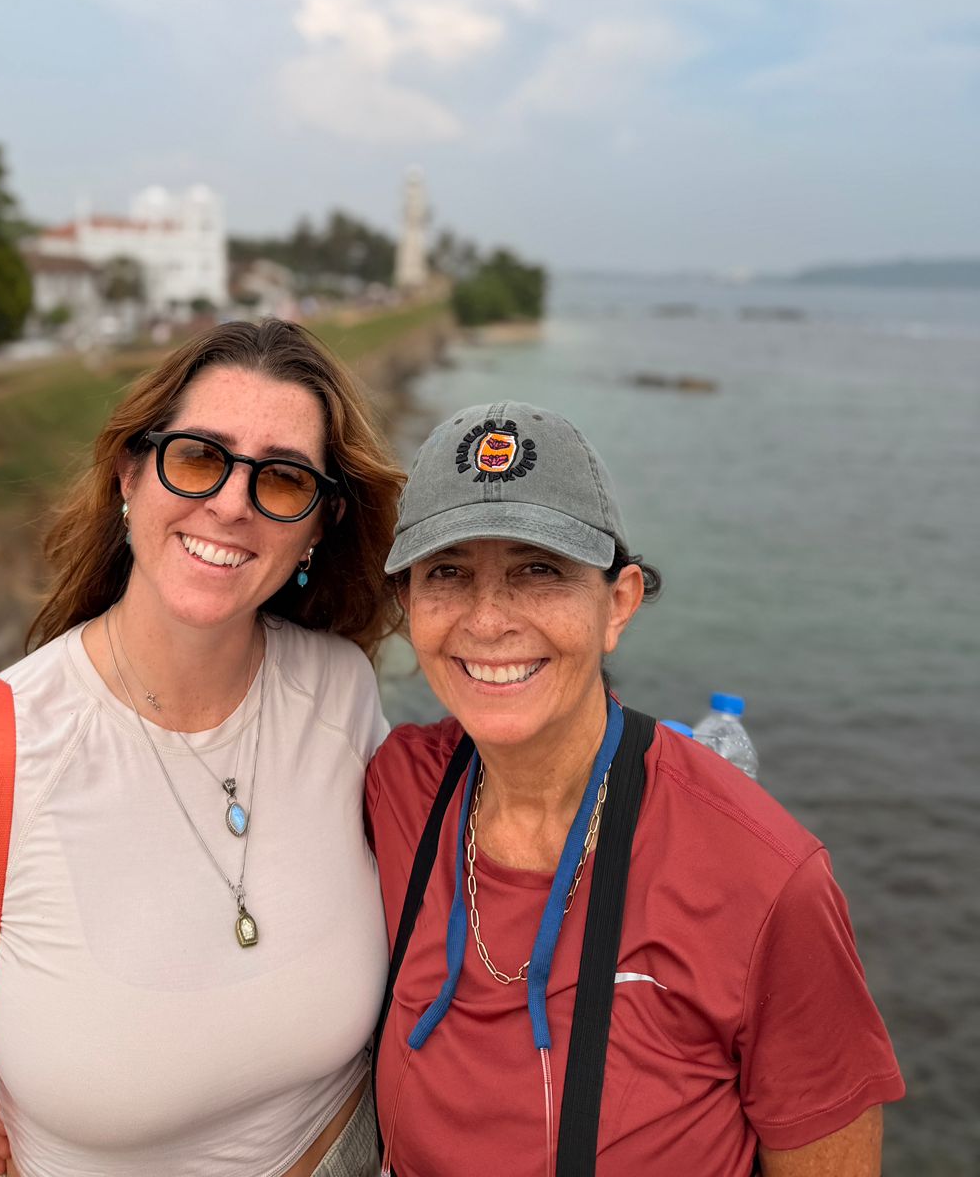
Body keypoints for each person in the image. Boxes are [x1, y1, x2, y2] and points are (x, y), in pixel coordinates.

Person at [0, 319, 404, 1177]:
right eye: (199, 457)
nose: (232, 503)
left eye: (284, 477)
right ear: (129, 474)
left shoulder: (341, 694)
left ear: (320, 524)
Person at [366, 402, 904, 1176]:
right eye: (447, 572)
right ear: (407, 606)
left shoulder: (763, 878)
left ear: (618, 604)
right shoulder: (399, 788)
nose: (486, 621)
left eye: (537, 570)